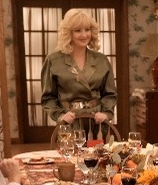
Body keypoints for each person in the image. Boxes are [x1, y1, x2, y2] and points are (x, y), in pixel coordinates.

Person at [41, 8, 117, 139]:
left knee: (100, 159)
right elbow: (48, 98)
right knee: (71, 158)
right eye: (78, 30)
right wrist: (60, 115)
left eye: (87, 29)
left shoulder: (101, 60)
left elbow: (110, 94)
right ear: (68, 33)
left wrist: (106, 113)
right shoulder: (53, 60)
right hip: (69, 122)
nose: (84, 35)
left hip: (97, 122)